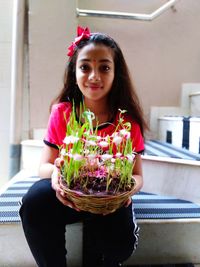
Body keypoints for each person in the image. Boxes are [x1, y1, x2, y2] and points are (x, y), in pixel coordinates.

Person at [19, 26, 148, 267]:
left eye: (104, 67)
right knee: (35, 200)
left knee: (119, 247)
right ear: (74, 71)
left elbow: (137, 175)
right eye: (85, 67)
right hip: (69, 198)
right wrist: (57, 174)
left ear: (116, 72)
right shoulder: (63, 112)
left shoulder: (127, 122)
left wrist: (127, 193)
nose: (94, 76)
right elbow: (45, 166)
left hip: (109, 202)